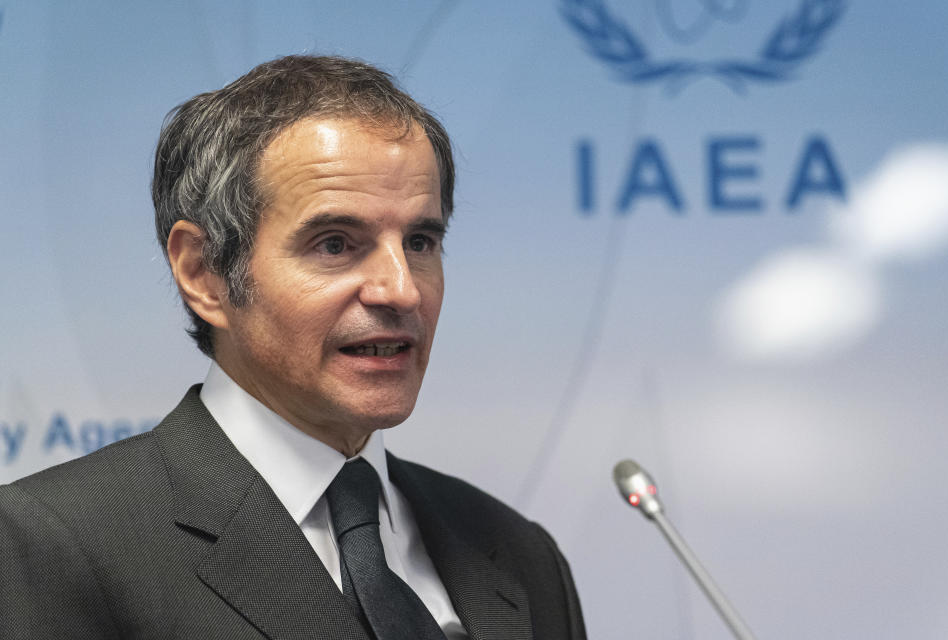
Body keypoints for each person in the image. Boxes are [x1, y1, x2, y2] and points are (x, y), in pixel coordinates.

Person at [0, 55, 586, 639]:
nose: (401, 289)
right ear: (204, 272)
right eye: (335, 244)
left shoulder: (521, 554)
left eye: (420, 241)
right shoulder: (56, 544)